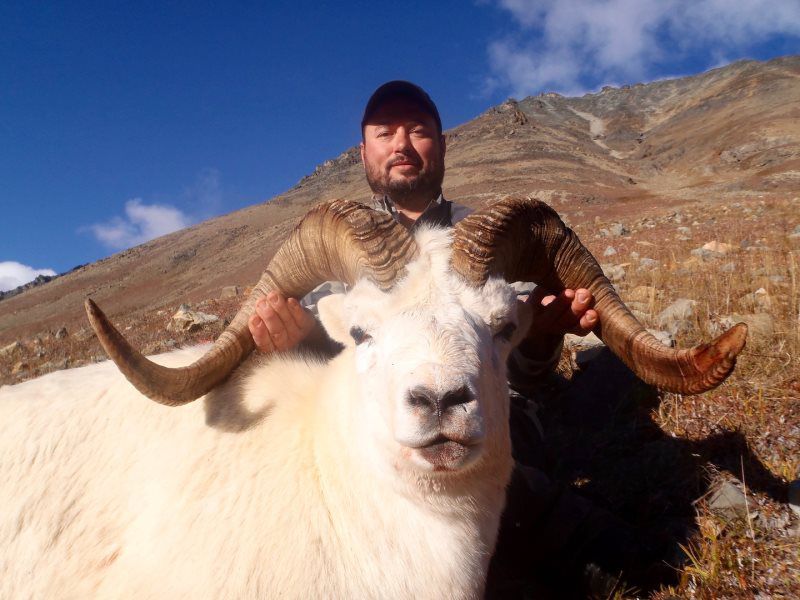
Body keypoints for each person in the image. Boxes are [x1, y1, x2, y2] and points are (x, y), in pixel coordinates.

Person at [247, 81, 667, 597]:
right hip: (369, 428)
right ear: (364, 152)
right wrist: (299, 339)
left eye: (417, 130)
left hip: (491, 416)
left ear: (442, 145)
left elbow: (529, 376)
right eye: (384, 133)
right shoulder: (341, 257)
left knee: (512, 492)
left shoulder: (492, 245)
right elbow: (327, 374)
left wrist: (538, 333)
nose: (400, 144)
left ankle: (616, 559)